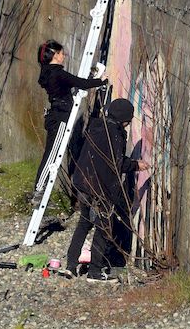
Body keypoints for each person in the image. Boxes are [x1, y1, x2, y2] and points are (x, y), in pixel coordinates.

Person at [62, 98, 149, 282]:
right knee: (104, 228)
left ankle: (70, 265)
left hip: (83, 183)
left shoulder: (96, 127)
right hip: (98, 188)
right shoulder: (115, 136)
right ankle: (94, 272)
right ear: (124, 120)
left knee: (84, 224)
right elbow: (116, 164)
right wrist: (136, 165)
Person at [31, 40, 108, 208]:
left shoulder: (47, 72)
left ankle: (38, 190)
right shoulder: (57, 73)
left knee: (50, 153)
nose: (64, 56)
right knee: (52, 154)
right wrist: (101, 82)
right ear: (55, 55)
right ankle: (38, 192)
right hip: (60, 118)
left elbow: (71, 86)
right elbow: (81, 83)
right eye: (61, 53)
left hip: (55, 114)